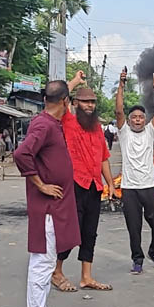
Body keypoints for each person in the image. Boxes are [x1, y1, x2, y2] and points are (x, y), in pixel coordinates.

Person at [12, 80, 79, 307]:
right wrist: (41, 185)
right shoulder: (43, 124)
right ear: (65, 101)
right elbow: (21, 154)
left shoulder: (51, 122)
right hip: (47, 208)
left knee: (49, 260)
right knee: (42, 261)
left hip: (56, 206)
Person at [55, 73, 116, 292]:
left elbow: (104, 159)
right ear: (75, 103)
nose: (90, 105)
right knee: (71, 231)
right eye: (85, 101)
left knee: (90, 232)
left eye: (92, 102)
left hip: (94, 187)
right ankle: (56, 271)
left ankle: (86, 277)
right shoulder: (68, 122)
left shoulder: (97, 128)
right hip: (75, 185)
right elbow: (58, 98)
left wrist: (111, 185)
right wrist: (74, 81)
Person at [115, 67, 154, 274]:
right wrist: (121, 85)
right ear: (129, 120)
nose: (137, 120)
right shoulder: (124, 133)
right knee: (133, 227)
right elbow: (118, 111)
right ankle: (137, 258)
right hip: (129, 188)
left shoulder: (150, 132)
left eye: (140, 117)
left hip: (150, 185)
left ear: (145, 119)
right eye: (134, 117)